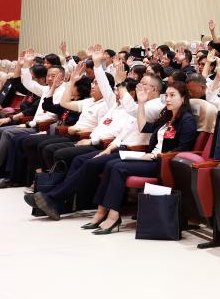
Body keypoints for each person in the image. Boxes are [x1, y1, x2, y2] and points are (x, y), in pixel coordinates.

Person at [82, 82, 198, 234]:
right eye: (166, 96)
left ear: (183, 98)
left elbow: (183, 149)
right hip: (150, 158)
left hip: (162, 163)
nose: (168, 99)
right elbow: (143, 127)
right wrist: (141, 103)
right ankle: (101, 211)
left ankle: (113, 215)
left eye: (172, 95)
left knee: (119, 168)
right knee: (110, 164)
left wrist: (156, 155)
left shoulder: (187, 120)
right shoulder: (167, 116)